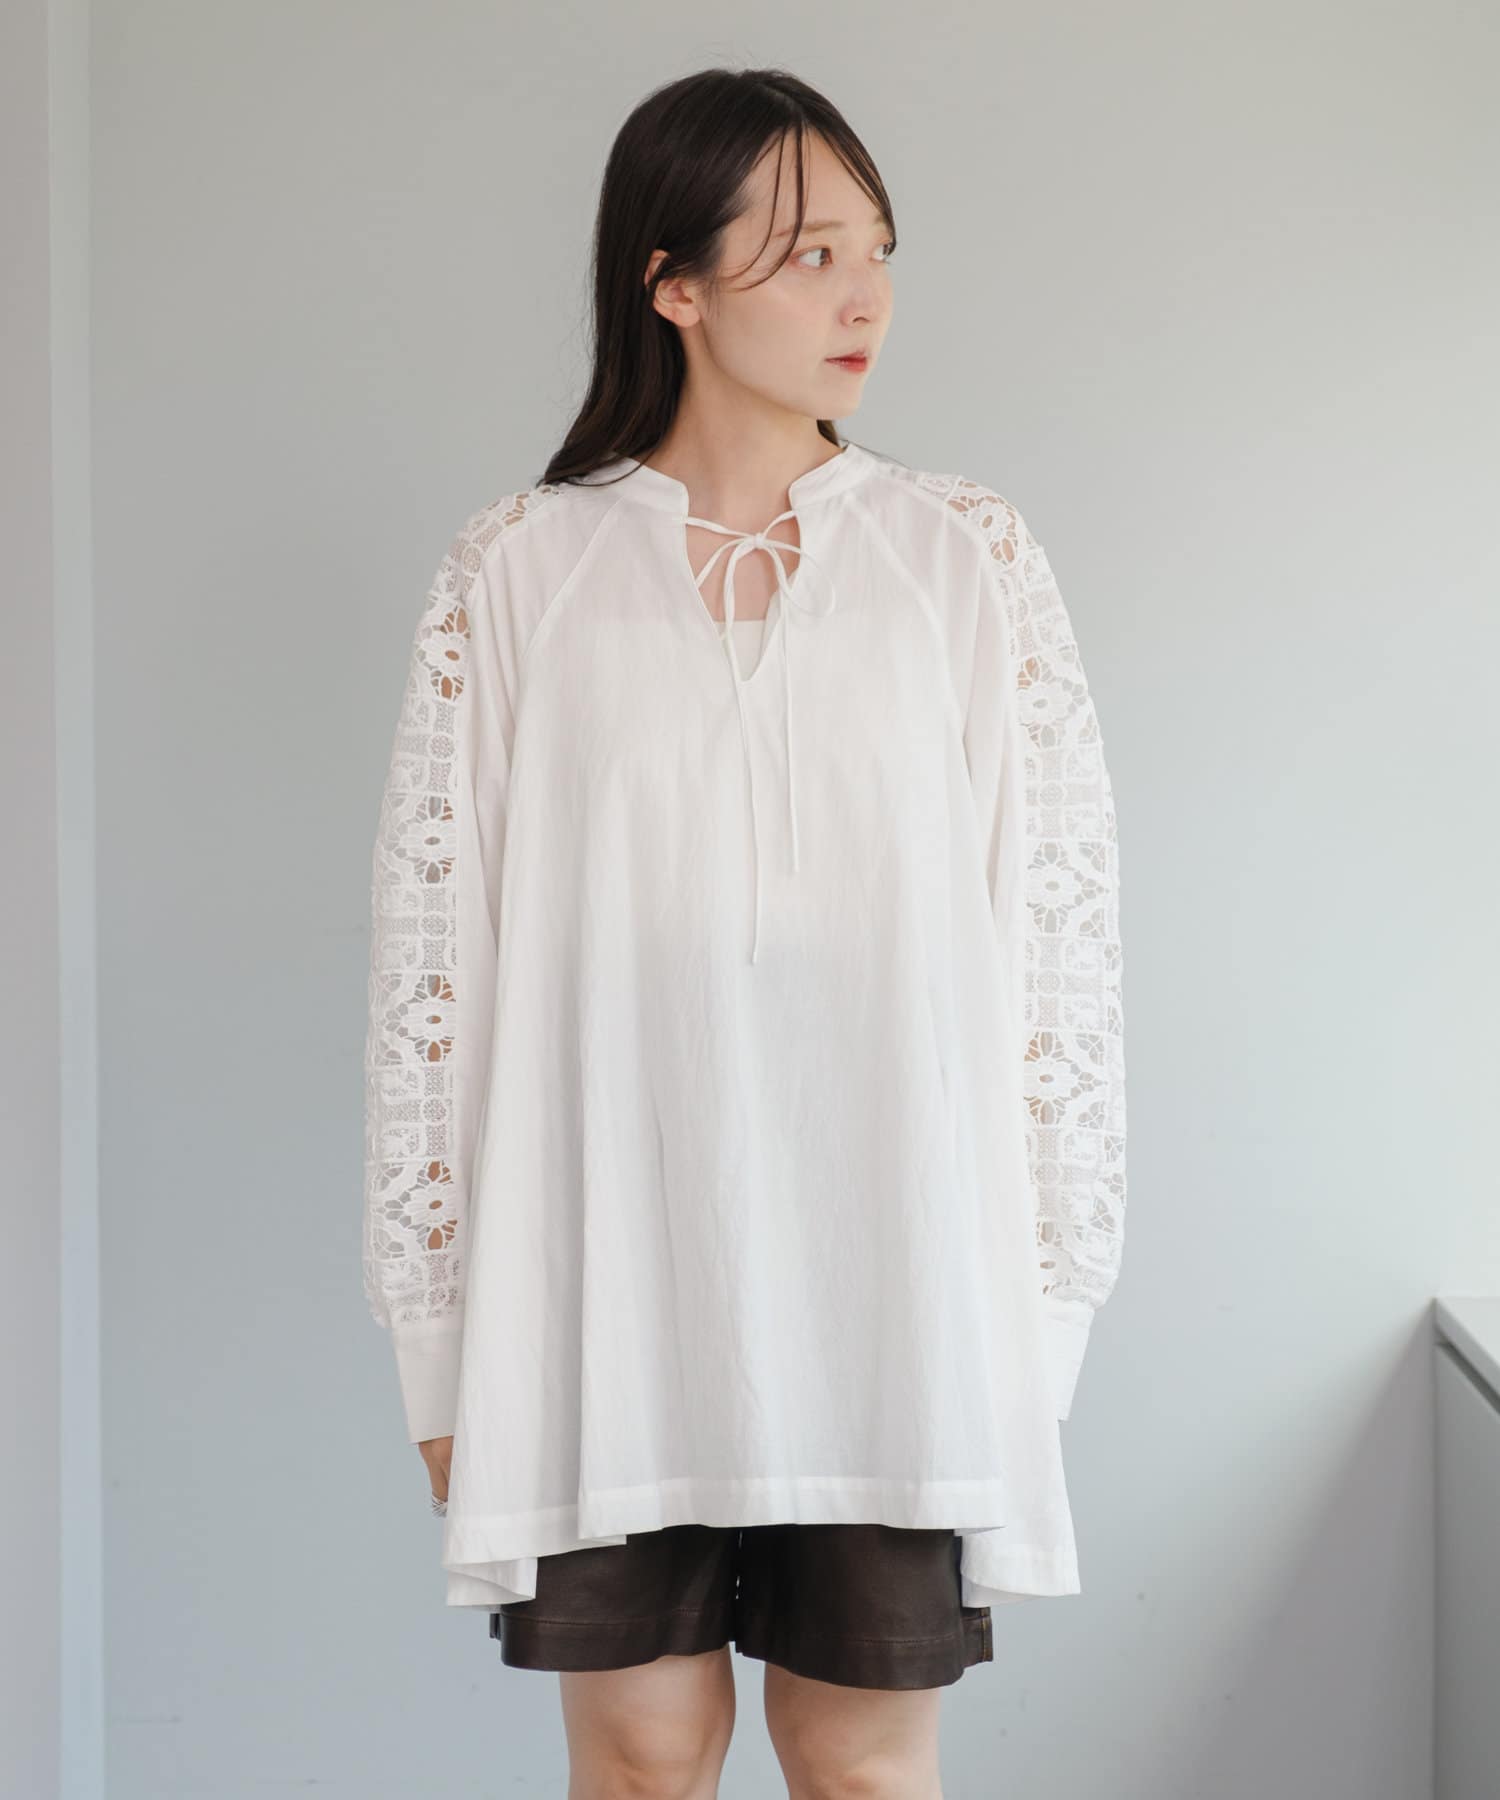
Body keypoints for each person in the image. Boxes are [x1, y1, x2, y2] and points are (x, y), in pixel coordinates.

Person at [361, 64, 1127, 1798]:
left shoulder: (963, 559)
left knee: (862, 1767)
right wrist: (442, 1343)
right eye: (807, 256)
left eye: (878, 251)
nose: (865, 298)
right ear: (674, 283)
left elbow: (1056, 956)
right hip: (605, 1286)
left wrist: (1038, 1316)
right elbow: (434, 972)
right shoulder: (520, 573)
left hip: (898, 1285)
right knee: (642, 1759)